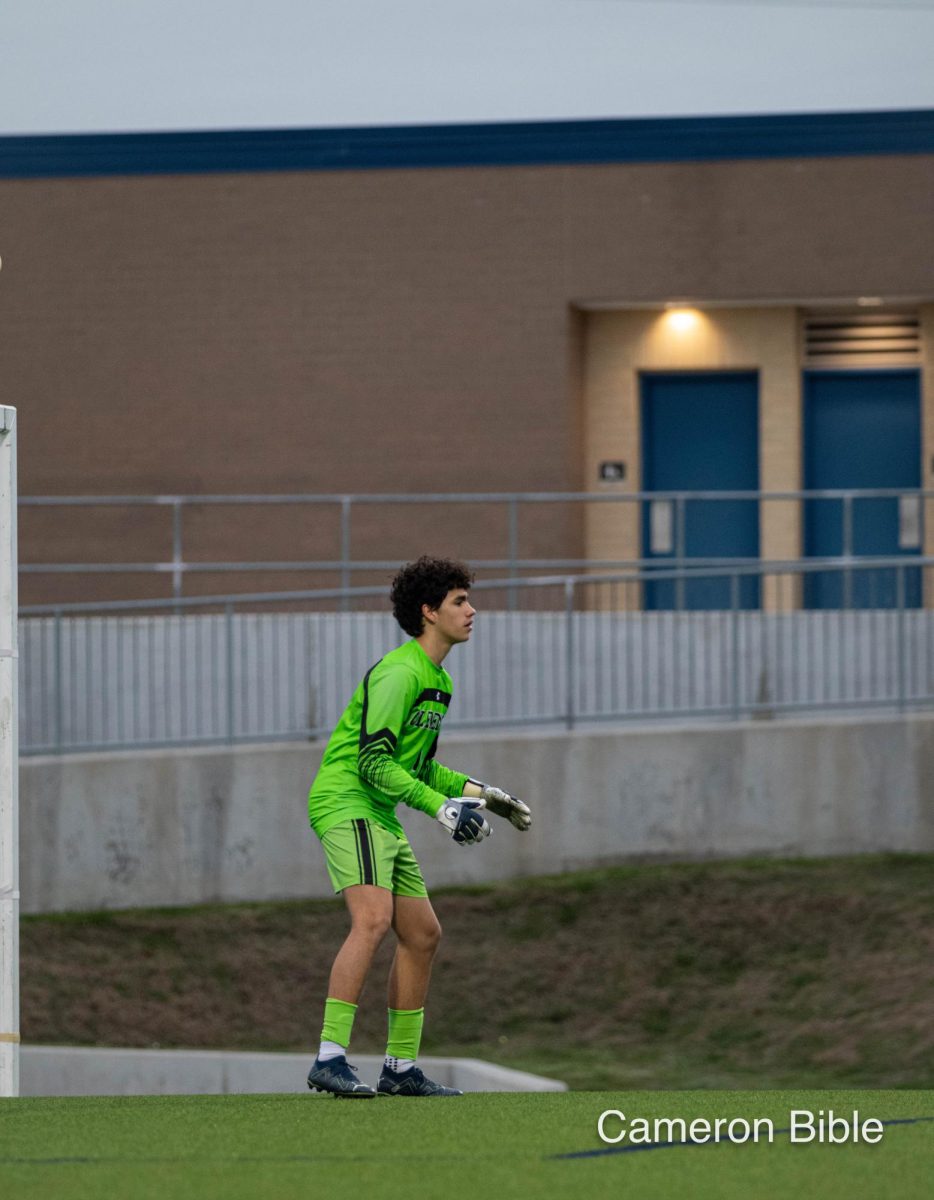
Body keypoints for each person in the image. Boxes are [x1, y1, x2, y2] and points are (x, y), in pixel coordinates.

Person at [306, 555, 531, 1098]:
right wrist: (440, 809)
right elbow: (374, 763)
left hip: (380, 809)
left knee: (424, 934)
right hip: (348, 802)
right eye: (459, 601)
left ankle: (400, 1069)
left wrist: (486, 796)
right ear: (429, 612)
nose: (472, 610)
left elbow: (419, 766)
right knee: (373, 919)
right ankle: (329, 1058)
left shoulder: (437, 678)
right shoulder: (400, 672)